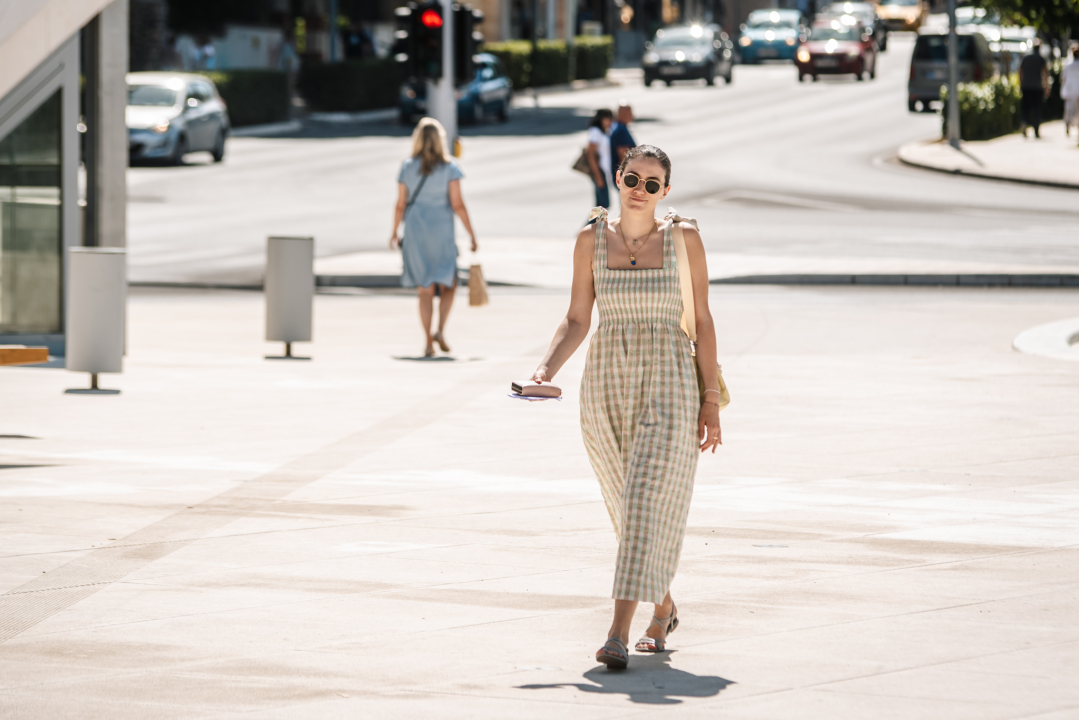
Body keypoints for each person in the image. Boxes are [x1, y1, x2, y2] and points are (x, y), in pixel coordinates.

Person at [530, 145, 722, 670]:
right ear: (618, 177)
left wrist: (711, 401)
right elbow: (575, 318)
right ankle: (663, 608)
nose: (640, 189)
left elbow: (702, 321)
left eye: (653, 183)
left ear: (666, 191)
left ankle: (617, 631)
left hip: (671, 383)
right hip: (605, 387)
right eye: (632, 177)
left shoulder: (684, 239)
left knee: (641, 502)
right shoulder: (589, 239)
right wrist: (545, 370)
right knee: (624, 506)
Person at [390, 118, 478, 357]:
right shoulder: (450, 168)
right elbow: (458, 204)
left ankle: (428, 341)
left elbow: (400, 204)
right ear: (440, 140)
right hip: (442, 232)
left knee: (425, 289)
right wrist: (471, 234)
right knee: (449, 283)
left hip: (415, 231)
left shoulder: (407, 167)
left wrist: (394, 232)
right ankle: (440, 330)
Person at [1019, 39, 1049, 139]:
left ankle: (1024, 122)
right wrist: (1046, 87)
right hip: (1037, 87)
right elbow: (1045, 73)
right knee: (1037, 108)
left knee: (1026, 108)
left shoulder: (1026, 57)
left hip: (1026, 86)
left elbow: (1020, 71)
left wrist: (1021, 83)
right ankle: (1036, 130)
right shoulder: (1041, 58)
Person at [586, 109, 614, 208]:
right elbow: (591, 154)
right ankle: (592, 223)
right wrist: (598, 175)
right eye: (608, 118)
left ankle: (595, 223)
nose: (610, 121)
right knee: (602, 205)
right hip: (599, 170)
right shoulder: (595, 132)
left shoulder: (604, 132)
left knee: (601, 205)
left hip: (604, 171)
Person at [609, 103, 637, 185]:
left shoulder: (617, 126)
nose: (632, 115)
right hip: (625, 176)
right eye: (630, 112)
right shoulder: (620, 131)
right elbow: (623, 155)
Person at [1062, 45, 1079, 145]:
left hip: (1070, 91)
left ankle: (1068, 123)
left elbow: (1063, 78)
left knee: (1070, 110)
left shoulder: (1068, 66)